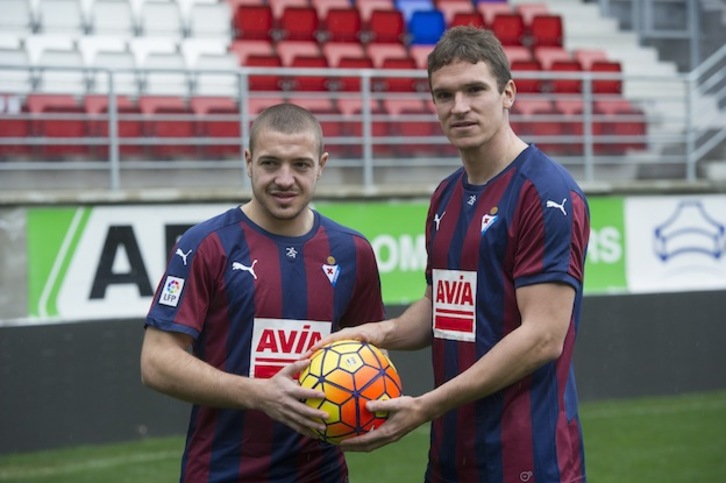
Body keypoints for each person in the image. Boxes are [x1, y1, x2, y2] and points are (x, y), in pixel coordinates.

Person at [310, 26, 590, 482]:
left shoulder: (546, 192)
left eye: (474, 90)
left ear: (508, 93)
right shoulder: (445, 196)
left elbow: (543, 337)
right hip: (451, 457)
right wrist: (373, 334)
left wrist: (424, 407)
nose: (458, 107)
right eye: (444, 95)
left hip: (528, 458)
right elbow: (441, 307)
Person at [140, 103, 385, 482]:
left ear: (321, 164)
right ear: (249, 161)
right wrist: (260, 394)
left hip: (321, 473)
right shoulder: (206, 245)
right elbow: (156, 362)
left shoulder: (353, 252)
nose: (285, 179)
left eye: (301, 165)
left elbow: (369, 355)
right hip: (222, 472)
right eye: (271, 163)